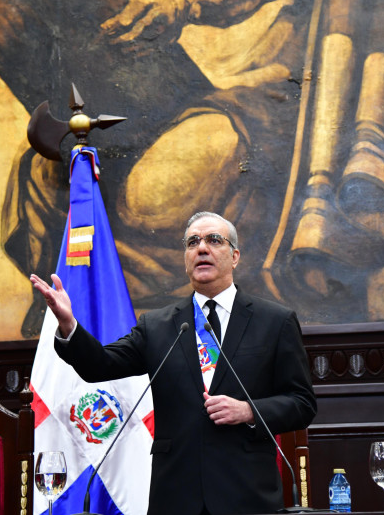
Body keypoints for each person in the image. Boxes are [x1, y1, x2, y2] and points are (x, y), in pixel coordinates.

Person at [30, 211, 317, 515]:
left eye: (213, 240)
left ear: (234, 256)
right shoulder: (159, 325)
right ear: (186, 259)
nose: (202, 248)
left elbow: (302, 403)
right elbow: (99, 365)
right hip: (177, 496)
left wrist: (247, 410)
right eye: (192, 242)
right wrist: (68, 325)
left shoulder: (274, 321)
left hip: (246, 494)